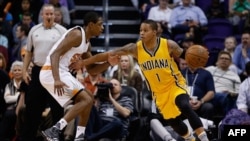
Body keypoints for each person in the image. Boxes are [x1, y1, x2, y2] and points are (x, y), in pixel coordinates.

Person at [69, 19, 210, 141]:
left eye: (145, 30)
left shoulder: (168, 45)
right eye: (140, 30)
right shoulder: (135, 49)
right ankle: (190, 138)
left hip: (175, 85)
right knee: (173, 121)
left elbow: (188, 57)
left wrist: (198, 58)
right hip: (159, 93)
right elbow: (107, 54)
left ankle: (204, 137)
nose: (141, 33)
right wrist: (84, 63)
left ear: (154, 32)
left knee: (184, 105)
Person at [39, 11, 117, 141]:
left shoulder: (86, 44)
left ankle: (79, 136)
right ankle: (54, 130)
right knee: (85, 99)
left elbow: (92, 70)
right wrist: (57, 79)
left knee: (89, 98)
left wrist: (109, 62)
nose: (103, 28)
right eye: (100, 24)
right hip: (51, 71)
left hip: (62, 72)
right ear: (91, 25)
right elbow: (55, 55)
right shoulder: (77, 34)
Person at [22, 4, 67, 141]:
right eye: (46, 14)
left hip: (55, 72)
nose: (49, 16)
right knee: (32, 107)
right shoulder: (34, 30)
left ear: (55, 15)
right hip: (38, 71)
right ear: (42, 15)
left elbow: (67, 52)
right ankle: (29, 137)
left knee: (57, 108)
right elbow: (29, 52)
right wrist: (24, 70)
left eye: (51, 14)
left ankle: (58, 137)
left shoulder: (62, 31)